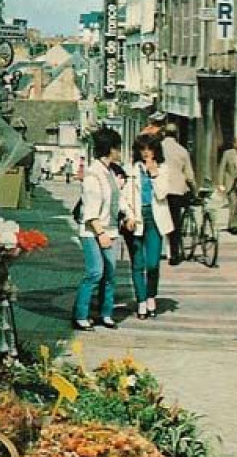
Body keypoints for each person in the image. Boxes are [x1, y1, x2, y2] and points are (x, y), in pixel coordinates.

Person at [73, 127, 126, 331]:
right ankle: (80, 315)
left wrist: (128, 215)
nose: (120, 152)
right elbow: (91, 209)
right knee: (95, 272)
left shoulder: (109, 172)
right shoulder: (93, 174)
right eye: (118, 148)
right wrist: (100, 232)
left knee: (110, 274)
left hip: (110, 230)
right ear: (110, 149)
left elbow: (117, 199)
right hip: (92, 231)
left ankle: (106, 313)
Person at [124, 132, 174, 319]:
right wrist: (129, 216)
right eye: (142, 149)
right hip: (135, 219)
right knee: (138, 264)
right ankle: (142, 302)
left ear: (155, 150)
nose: (146, 153)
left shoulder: (163, 168)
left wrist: (154, 174)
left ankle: (151, 295)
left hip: (155, 219)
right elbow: (125, 195)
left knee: (153, 264)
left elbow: (162, 194)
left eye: (149, 149)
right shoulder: (131, 169)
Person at [161, 121, 195, 265]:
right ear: (177, 135)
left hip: (160, 190)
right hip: (176, 191)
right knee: (175, 223)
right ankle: (174, 255)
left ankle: (159, 251)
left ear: (164, 133)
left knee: (160, 221)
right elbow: (189, 175)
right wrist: (194, 189)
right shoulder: (182, 151)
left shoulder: (158, 148)